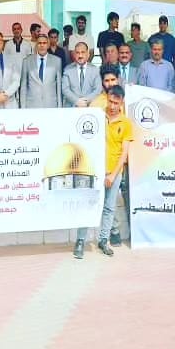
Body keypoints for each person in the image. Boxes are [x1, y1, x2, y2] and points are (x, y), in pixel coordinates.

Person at [74, 85, 132, 259]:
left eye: (116, 103)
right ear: (107, 99)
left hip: (114, 172)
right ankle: (80, 241)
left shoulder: (126, 123)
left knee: (109, 208)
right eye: (110, 101)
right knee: (88, 205)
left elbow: (124, 153)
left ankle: (103, 241)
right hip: (95, 171)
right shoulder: (97, 117)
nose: (112, 106)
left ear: (121, 103)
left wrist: (113, 175)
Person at [20, 34, 62, 108]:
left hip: (51, 105)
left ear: (48, 45)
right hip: (32, 106)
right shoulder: (27, 61)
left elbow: (59, 86)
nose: (42, 45)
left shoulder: (57, 61)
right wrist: (23, 107)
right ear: (36, 45)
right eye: (39, 43)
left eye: (44, 43)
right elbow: (23, 86)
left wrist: (59, 106)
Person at [61, 42, 102, 107]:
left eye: (83, 52)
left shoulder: (95, 70)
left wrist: (85, 101)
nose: (80, 55)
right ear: (74, 55)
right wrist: (76, 101)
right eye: (77, 53)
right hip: (72, 107)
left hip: (89, 106)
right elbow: (65, 89)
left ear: (88, 54)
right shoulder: (67, 70)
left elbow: (98, 89)